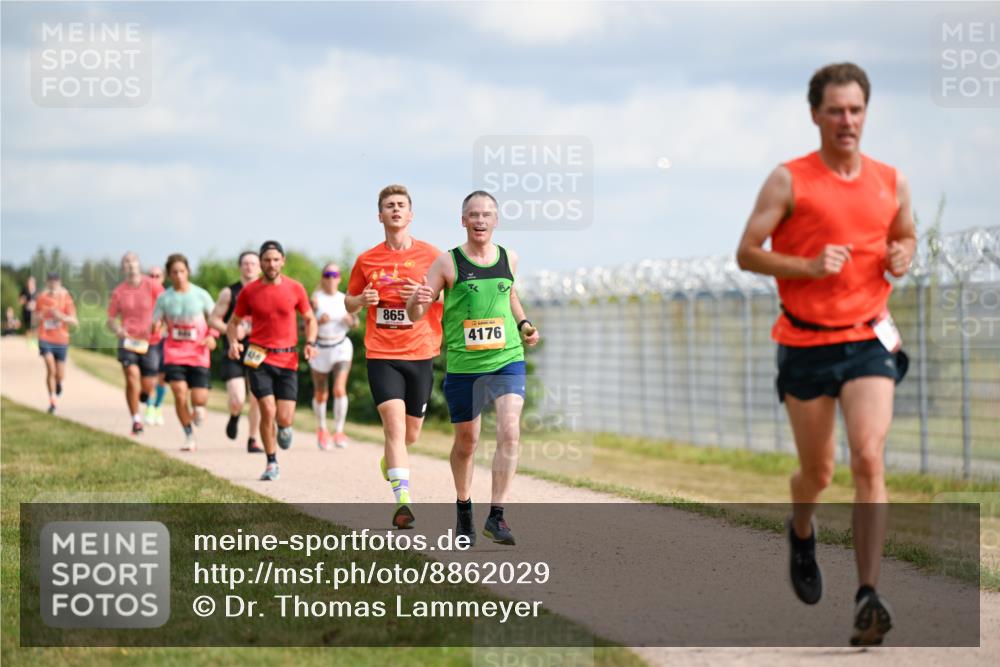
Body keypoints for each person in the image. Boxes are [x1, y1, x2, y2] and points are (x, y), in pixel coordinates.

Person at [735, 62, 915, 646]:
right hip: (805, 341)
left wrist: (904, 254)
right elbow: (747, 252)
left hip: (867, 338)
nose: (846, 120)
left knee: (869, 458)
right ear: (815, 114)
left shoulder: (891, 179)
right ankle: (803, 529)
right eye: (835, 109)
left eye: (856, 109)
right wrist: (807, 266)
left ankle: (868, 595)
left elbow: (905, 233)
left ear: (867, 113)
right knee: (820, 470)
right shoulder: (789, 180)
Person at [408, 191, 539, 546]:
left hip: (507, 358)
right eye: (473, 215)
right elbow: (417, 312)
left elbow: (509, 294)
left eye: (487, 215)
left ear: (495, 220)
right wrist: (416, 301)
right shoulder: (447, 263)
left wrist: (524, 323)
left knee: (510, 431)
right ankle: (464, 507)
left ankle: (497, 516)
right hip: (466, 365)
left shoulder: (509, 257)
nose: (480, 220)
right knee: (467, 442)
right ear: (463, 220)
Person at [347, 185, 443, 529]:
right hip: (381, 353)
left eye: (402, 205)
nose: (396, 210)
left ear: (411, 214)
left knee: (411, 435)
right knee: (394, 425)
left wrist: (423, 298)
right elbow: (349, 300)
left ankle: (391, 461)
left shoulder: (433, 257)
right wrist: (362, 302)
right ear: (381, 216)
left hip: (420, 352)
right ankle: (403, 502)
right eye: (390, 206)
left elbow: (452, 299)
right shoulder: (367, 259)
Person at [228, 240, 318, 481]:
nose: (271, 264)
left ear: (283, 261)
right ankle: (271, 462)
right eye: (266, 260)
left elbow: (310, 319)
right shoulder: (249, 291)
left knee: (284, 418)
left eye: (275, 259)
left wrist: (310, 343)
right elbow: (233, 323)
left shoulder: (295, 288)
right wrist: (233, 342)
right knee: (267, 410)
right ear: (261, 262)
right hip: (258, 357)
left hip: (288, 358)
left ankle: (285, 427)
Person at [152, 254, 219, 451]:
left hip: (199, 352)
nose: (179, 275)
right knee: (179, 394)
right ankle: (189, 435)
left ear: (188, 271)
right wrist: (155, 326)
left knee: (198, 400)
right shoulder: (164, 298)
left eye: (182, 271)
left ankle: (199, 409)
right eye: (174, 272)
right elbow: (155, 322)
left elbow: (215, 318)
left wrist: (213, 335)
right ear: (169, 275)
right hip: (174, 352)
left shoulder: (201, 295)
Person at [210, 251, 263, 453]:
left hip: (258, 348)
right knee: (237, 398)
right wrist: (231, 330)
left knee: (257, 396)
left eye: (253, 263)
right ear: (240, 267)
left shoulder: (266, 290)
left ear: (259, 267)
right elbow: (213, 319)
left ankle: (253, 438)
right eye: (246, 263)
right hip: (234, 348)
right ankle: (234, 415)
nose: (249, 267)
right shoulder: (229, 292)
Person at [106, 252, 164, 436]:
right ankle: (136, 420)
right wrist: (118, 330)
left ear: (139, 264)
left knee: (147, 385)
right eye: (126, 262)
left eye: (133, 261)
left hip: (151, 341)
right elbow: (110, 319)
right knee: (131, 376)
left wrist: (161, 325)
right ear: (123, 267)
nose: (130, 264)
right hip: (128, 340)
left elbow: (166, 306)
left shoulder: (152, 285)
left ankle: (145, 394)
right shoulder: (119, 291)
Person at [309, 262, 356, 450]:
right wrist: (317, 320)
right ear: (322, 277)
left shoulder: (344, 299)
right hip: (320, 347)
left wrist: (350, 320)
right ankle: (321, 429)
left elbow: (356, 323)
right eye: (327, 274)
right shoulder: (315, 299)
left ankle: (339, 431)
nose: (330, 278)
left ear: (339, 278)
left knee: (339, 389)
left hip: (341, 347)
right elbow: (305, 325)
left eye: (334, 274)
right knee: (321, 393)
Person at [35, 272, 78, 413]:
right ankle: (52, 401)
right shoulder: (41, 298)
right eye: (51, 281)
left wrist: (61, 317)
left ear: (59, 282)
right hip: (45, 337)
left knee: (60, 374)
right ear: (48, 282)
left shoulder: (66, 298)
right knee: (50, 368)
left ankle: (58, 383)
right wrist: (40, 316)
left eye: (56, 281)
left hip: (61, 340)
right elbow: (34, 317)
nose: (53, 283)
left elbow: (74, 321)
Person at [146, 265, 167, 425]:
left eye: (157, 276)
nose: (154, 279)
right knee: (149, 375)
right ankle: (149, 407)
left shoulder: (167, 296)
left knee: (162, 377)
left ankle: (158, 405)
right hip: (147, 341)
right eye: (151, 276)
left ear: (163, 278)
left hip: (164, 341)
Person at [19, 275, 37, 340]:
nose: (30, 284)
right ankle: (28, 343)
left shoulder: (37, 291)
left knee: (35, 328)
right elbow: (20, 302)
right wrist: (26, 302)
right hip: (26, 313)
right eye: (29, 282)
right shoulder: (24, 290)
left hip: (35, 313)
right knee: (28, 329)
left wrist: (35, 305)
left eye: (31, 282)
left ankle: (35, 342)